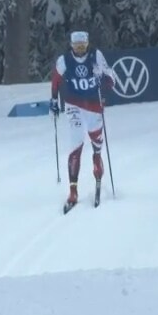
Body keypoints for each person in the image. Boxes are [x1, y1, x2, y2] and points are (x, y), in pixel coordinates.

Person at [50, 30, 118, 211]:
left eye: (83, 45)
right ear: (71, 45)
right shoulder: (64, 60)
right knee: (76, 143)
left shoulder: (96, 56)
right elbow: (55, 80)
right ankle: (73, 190)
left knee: (97, 142)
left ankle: (97, 162)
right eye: (76, 45)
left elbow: (112, 79)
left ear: (87, 44)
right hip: (74, 105)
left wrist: (102, 76)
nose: (80, 49)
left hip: (93, 105)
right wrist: (54, 101)